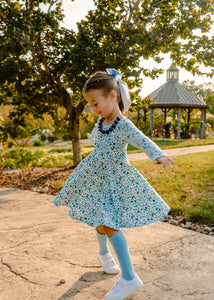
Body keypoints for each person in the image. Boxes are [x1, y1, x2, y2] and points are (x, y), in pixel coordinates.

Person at [52, 68, 175, 300]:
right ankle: (103, 253)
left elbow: (143, 139)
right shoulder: (101, 121)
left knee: (108, 224)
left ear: (112, 96)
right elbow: (98, 142)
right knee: (99, 218)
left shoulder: (124, 125)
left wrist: (158, 154)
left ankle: (129, 278)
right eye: (89, 104)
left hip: (115, 180)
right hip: (96, 176)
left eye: (95, 102)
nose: (92, 109)